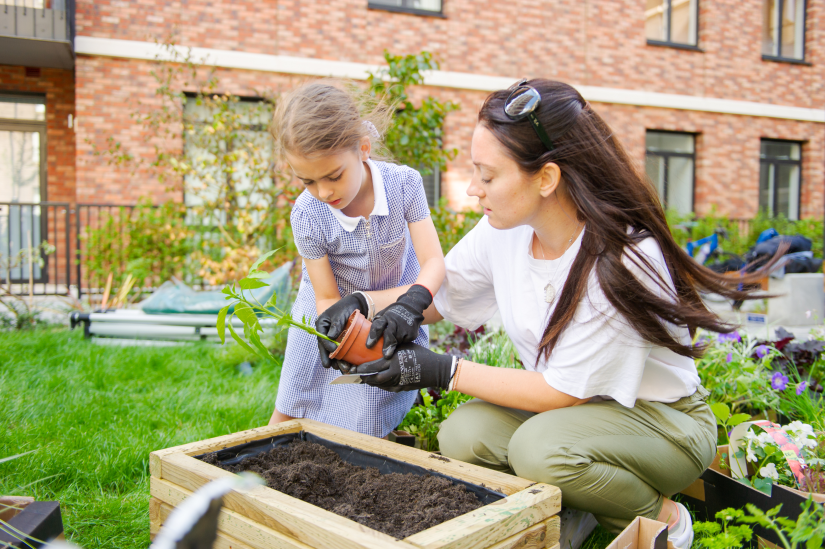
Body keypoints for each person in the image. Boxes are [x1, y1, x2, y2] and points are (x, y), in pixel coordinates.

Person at [318, 80, 765, 549]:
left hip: (661, 423)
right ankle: (572, 507)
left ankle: (660, 518)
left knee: (541, 451)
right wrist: (368, 306)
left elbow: (561, 393)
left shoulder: (624, 259)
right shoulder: (507, 229)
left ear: (546, 178)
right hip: (581, 413)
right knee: (464, 434)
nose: (473, 189)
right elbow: (442, 296)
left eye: (487, 176)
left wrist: (441, 370)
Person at [268, 81, 445, 438]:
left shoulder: (404, 185)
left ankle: (367, 449)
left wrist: (412, 303)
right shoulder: (307, 214)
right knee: (294, 399)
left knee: (367, 406)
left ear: (363, 148)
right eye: (308, 182)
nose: (324, 192)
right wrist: (342, 335)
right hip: (329, 313)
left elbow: (434, 263)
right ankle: (256, 462)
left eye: (334, 176)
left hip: (397, 302)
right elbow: (327, 299)